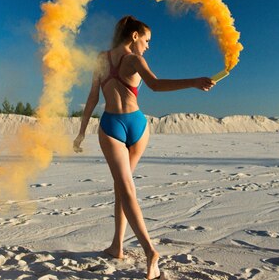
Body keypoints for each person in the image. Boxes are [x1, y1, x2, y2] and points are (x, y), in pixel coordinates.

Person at [73, 15, 215, 279]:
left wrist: (82, 132)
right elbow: (155, 86)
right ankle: (117, 245)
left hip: (117, 126)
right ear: (134, 36)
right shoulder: (132, 60)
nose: (148, 46)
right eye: (147, 40)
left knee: (124, 187)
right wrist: (194, 82)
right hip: (134, 125)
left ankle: (150, 251)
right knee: (123, 187)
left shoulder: (103, 59)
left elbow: (94, 97)